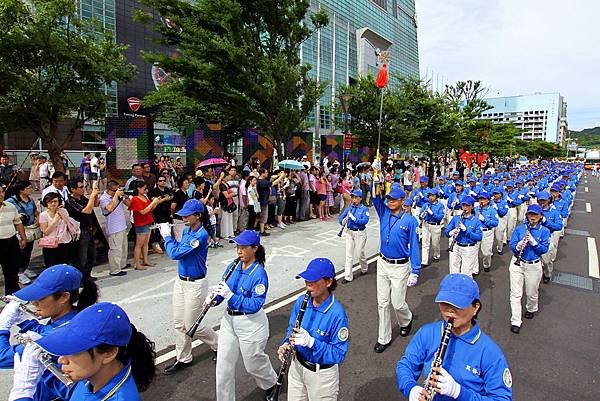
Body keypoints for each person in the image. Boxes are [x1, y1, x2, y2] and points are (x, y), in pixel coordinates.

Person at [396, 273, 513, 401]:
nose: (450, 310)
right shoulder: (427, 333)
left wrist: (459, 392)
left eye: (458, 304)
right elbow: (406, 365)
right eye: (445, 303)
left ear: (475, 308)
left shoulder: (490, 353)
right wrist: (411, 389)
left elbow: (502, 398)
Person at [8, 302, 156, 401]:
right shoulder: (93, 377)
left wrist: (22, 392)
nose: (61, 360)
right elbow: (70, 391)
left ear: (109, 353)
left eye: (73, 351)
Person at [211, 230, 278, 401]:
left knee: (253, 364)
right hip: (229, 320)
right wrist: (214, 298)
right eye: (237, 246)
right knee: (223, 367)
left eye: (243, 247)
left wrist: (231, 296)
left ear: (254, 248)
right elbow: (224, 289)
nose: (239, 250)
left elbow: (255, 305)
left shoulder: (259, 273)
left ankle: (271, 382)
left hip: (251, 323)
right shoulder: (233, 266)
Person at [159, 199, 219, 374]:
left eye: (187, 215)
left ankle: (219, 344)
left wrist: (167, 236)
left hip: (196, 284)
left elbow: (175, 253)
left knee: (192, 324)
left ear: (198, 216)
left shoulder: (200, 235)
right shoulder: (187, 231)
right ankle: (183, 358)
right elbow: (179, 249)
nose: (183, 217)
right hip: (181, 281)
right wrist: (172, 237)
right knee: (180, 323)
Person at [0, 264, 98, 369]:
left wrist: (2, 327)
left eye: (40, 297)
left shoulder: (60, 334)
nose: (34, 302)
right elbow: (47, 329)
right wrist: (23, 321)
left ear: (64, 297)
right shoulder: (73, 315)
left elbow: (2, 358)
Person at [277, 258, 349, 401]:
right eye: (306, 280)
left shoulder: (337, 314)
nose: (308, 284)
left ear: (328, 282)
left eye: (313, 280)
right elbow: (292, 328)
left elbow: (338, 354)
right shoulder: (301, 301)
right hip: (296, 368)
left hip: (321, 377)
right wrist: (286, 343)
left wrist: (312, 343)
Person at [372, 182, 421, 353]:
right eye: (389, 199)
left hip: (400, 266)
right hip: (383, 263)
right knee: (383, 303)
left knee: (398, 303)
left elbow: (415, 246)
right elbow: (374, 195)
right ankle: (383, 338)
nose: (390, 202)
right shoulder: (384, 213)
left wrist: (415, 270)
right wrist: (375, 176)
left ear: (402, 200)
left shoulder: (410, 221)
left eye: (393, 199)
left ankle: (406, 320)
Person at [508, 204, 550, 334]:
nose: (532, 217)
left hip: (533, 265)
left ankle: (531, 308)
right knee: (515, 293)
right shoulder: (520, 229)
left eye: (535, 215)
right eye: (530, 214)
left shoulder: (544, 231)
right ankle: (515, 320)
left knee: (531, 292)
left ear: (540, 216)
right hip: (517, 263)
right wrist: (519, 246)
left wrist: (534, 243)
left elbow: (544, 249)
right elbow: (512, 245)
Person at [7, 181, 40, 284]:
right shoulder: (11, 201)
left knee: (28, 250)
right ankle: (19, 272)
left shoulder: (30, 200)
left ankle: (25, 268)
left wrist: (38, 217)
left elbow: (35, 211)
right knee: (20, 251)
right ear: (21, 190)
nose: (31, 189)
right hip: (18, 230)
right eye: (29, 188)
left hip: (30, 229)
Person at [444, 196, 483, 277]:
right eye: (463, 205)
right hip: (456, 246)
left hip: (469, 248)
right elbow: (446, 231)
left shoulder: (476, 221)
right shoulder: (456, 218)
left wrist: (466, 231)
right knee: (453, 270)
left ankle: (466, 289)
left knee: (466, 272)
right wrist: (450, 232)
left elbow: (479, 237)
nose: (465, 207)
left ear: (472, 207)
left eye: (467, 205)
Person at [99, 181, 131, 277]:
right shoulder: (103, 198)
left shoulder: (118, 196)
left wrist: (125, 196)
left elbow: (129, 205)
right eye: (114, 190)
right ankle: (115, 270)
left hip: (122, 225)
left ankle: (122, 264)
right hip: (113, 228)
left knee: (123, 248)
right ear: (108, 190)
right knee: (115, 249)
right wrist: (116, 196)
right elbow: (109, 208)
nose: (117, 191)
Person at [128, 180, 162, 270]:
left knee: (146, 243)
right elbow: (143, 212)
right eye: (144, 188)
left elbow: (150, 209)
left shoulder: (144, 197)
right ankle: (137, 263)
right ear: (138, 189)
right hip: (141, 223)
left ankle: (146, 260)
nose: (146, 190)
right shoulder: (135, 199)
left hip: (148, 221)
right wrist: (153, 203)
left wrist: (156, 202)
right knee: (139, 244)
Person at [338, 189, 370, 284]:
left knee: (360, 253)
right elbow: (341, 217)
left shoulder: (364, 209)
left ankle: (364, 268)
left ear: (360, 198)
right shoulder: (350, 207)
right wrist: (343, 221)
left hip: (360, 233)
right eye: (352, 197)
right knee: (349, 255)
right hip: (349, 232)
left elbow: (365, 221)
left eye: (356, 197)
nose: (354, 199)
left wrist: (354, 219)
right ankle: (348, 276)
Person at [0, 185, 27, 294]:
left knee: (12, 271)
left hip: (11, 242)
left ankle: (12, 295)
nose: (1, 194)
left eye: (2, 191)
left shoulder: (10, 206)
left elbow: (18, 223)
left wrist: (23, 238)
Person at [38, 192, 77, 268]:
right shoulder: (43, 215)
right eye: (50, 202)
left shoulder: (63, 211)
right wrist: (54, 221)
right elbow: (45, 232)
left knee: (64, 265)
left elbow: (68, 224)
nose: (53, 204)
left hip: (64, 241)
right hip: (51, 244)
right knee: (52, 266)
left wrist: (63, 216)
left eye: (55, 201)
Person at [537, 191, 563, 283]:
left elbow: (559, 226)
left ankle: (547, 274)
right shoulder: (534, 210)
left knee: (546, 261)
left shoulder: (554, 212)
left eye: (544, 200)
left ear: (549, 200)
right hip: (534, 238)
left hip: (546, 239)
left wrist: (546, 222)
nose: (542, 202)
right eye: (540, 200)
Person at [419, 189, 445, 268]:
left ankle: (436, 255)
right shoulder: (426, 205)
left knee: (435, 243)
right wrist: (422, 215)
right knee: (425, 243)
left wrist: (432, 213)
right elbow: (420, 215)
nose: (431, 197)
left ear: (436, 196)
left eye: (433, 195)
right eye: (430, 195)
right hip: (426, 224)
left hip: (435, 226)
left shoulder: (440, 205)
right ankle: (424, 261)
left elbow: (440, 217)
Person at [474, 191, 499, 273]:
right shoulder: (476, 209)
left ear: (488, 200)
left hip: (487, 232)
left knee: (486, 253)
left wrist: (485, 220)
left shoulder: (492, 210)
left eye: (483, 199)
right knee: (474, 251)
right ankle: (475, 269)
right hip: (477, 231)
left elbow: (495, 223)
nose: (481, 201)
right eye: (480, 199)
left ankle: (486, 264)